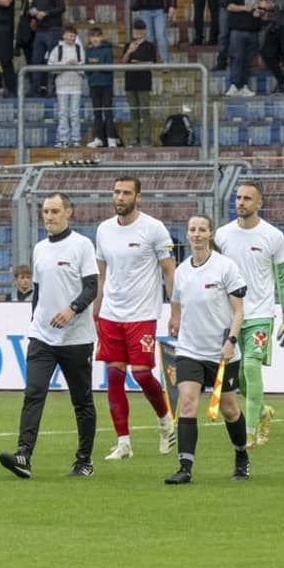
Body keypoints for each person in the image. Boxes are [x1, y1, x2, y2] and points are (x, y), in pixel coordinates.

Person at [0, 193, 99, 479]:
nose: (49, 216)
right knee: (33, 393)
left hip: (76, 337)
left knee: (82, 401)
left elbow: (91, 287)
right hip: (42, 337)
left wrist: (72, 310)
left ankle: (84, 460)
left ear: (69, 212)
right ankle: (23, 455)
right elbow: (39, 292)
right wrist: (34, 323)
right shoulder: (40, 248)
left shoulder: (82, 245)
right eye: (45, 211)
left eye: (55, 211)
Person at [94, 177, 176, 460]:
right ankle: (123, 443)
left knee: (141, 373)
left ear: (138, 197)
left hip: (142, 313)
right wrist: (97, 309)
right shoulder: (104, 230)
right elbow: (102, 275)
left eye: (126, 193)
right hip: (111, 313)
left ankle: (165, 420)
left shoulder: (153, 229)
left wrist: (175, 310)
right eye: (116, 192)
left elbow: (168, 270)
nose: (120, 197)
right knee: (114, 375)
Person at [164, 214, 249, 485]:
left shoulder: (225, 267)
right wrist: (174, 320)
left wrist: (231, 341)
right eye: (192, 229)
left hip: (222, 352)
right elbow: (176, 303)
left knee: (229, 409)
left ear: (211, 234)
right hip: (190, 350)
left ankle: (241, 456)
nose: (197, 234)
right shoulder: (182, 272)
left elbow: (238, 311)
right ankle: (185, 467)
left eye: (202, 229)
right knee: (187, 403)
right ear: (187, 234)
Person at [215, 182, 284, 448]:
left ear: (260, 203)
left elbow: (282, 277)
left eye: (247, 198)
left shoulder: (273, 236)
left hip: (260, 314)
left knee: (251, 366)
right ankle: (262, 412)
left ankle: (248, 432)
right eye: (237, 197)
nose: (241, 202)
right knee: (240, 379)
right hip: (231, 317)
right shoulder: (222, 235)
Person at [27, 0, 66, 97]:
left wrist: (46, 13)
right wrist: (33, 12)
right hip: (40, 30)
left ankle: (53, 89)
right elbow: (32, 9)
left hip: (53, 30)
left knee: (53, 60)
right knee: (36, 60)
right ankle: (36, 89)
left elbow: (61, 7)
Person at [48, 24, 85, 148]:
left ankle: (76, 139)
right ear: (64, 35)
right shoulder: (57, 49)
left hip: (76, 86)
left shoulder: (79, 49)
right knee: (63, 112)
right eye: (69, 35)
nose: (71, 38)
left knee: (74, 113)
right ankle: (63, 139)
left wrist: (77, 66)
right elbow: (51, 67)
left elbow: (84, 68)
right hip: (62, 86)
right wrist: (65, 65)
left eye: (74, 36)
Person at [121, 19, 156, 146]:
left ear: (144, 31)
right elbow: (123, 63)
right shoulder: (128, 45)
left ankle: (146, 138)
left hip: (144, 82)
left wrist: (139, 63)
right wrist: (129, 51)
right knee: (133, 111)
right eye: (135, 29)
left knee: (144, 111)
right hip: (130, 81)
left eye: (140, 29)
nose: (137, 32)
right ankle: (134, 138)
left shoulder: (150, 46)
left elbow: (152, 63)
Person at [85, 27, 119, 149]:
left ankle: (111, 139)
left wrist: (95, 64)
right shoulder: (88, 51)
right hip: (94, 85)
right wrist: (96, 64)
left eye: (97, 36)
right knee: (97, 113)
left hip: (106, 85)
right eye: (92, 36)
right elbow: (86, 70)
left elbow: (108, 67)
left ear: (101, 37)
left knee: (108, 112)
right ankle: (98, 138)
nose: (95, 39)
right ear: (89, 38)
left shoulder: (107, 50)